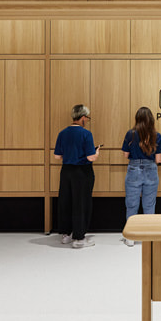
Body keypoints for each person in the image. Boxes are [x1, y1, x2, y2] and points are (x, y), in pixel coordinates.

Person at [121, 107, 161, 247]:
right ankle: (148, 235)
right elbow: (158, 159)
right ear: (151, 119)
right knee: (149, 204)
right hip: (151, 170)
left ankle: (130, 236)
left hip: (134, 169)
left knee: (132, 204)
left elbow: (125, 155)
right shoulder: (156, 135)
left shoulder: (131, 134)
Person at [54, 104, 100, 249]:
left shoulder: (62, 133)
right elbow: (91, 157)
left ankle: (66, 235)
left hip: (66, 171)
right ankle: (79, 238)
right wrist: (97, 151)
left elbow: (57, 156)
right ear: (83, 118)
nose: (87, 120)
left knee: (66, 202)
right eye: (87, 118)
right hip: (82, 172)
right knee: (81, 203)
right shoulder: (86, 134)